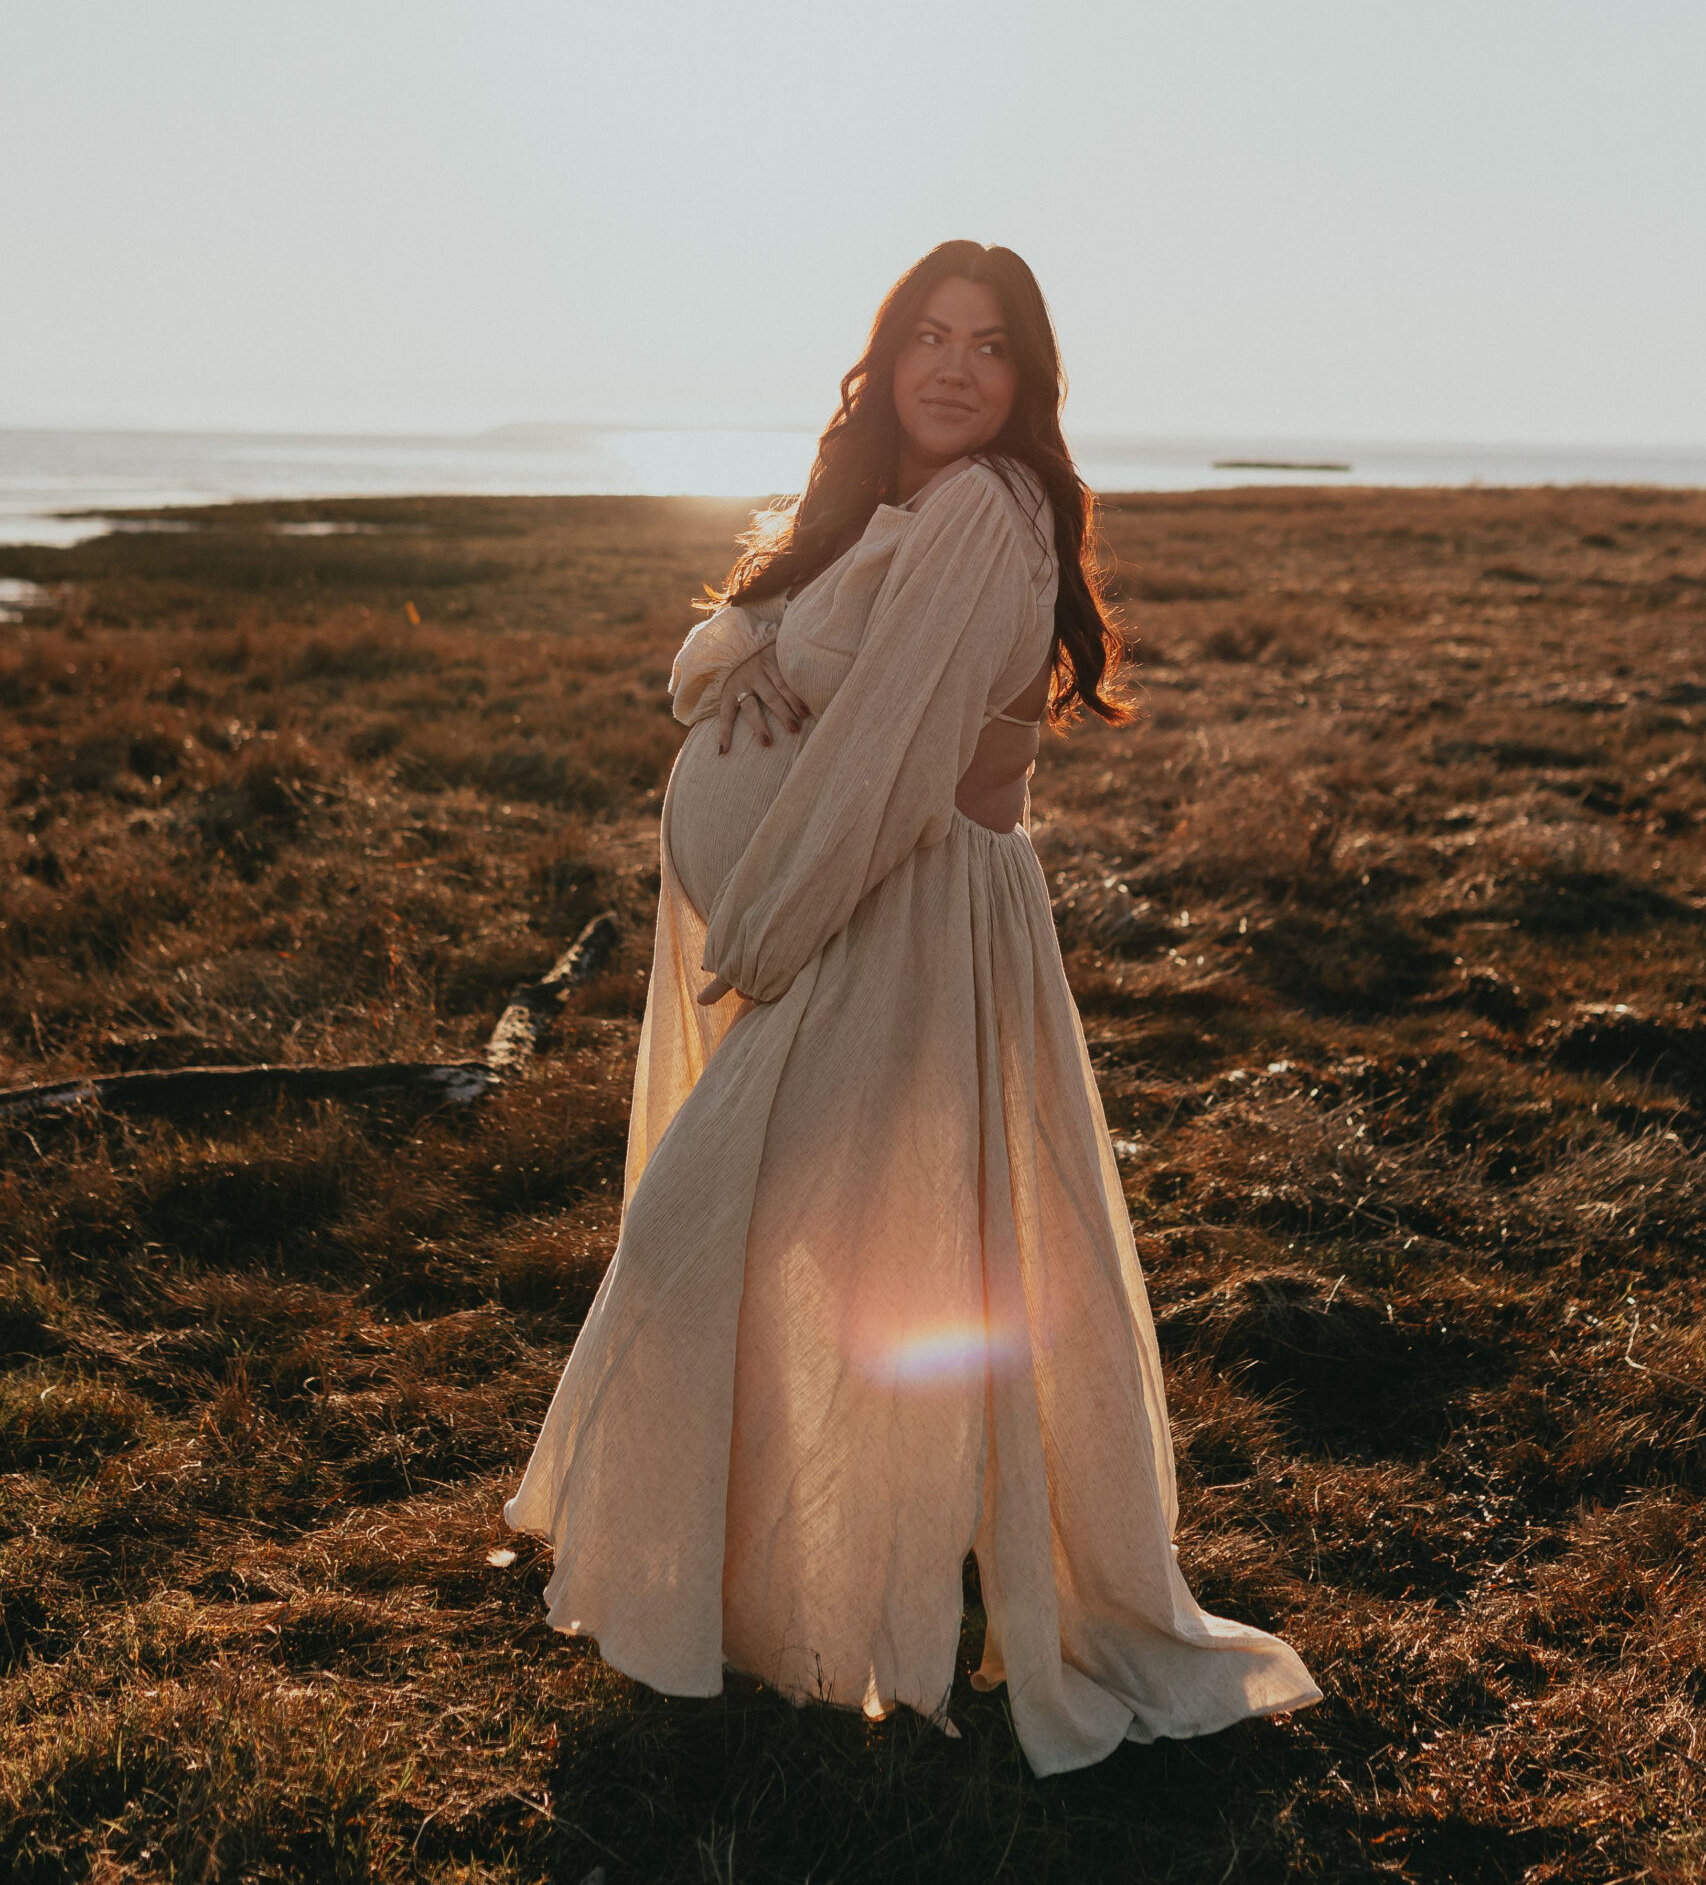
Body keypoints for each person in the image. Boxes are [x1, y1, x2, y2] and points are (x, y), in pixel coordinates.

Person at [505, 240, 1318, 1775]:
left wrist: (763, 931)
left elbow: (879, 759)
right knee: (820, 1255)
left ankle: (847, 1606)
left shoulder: (981, 513)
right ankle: (796, 1598)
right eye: (925, 338)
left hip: (899, 920)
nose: (953, 368)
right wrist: (739, 659)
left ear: (1029, 380)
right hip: (850, 918)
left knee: (759, 1244)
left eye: (989, 346)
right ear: (881, 362)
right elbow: (720, 647)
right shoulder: (878, 509)